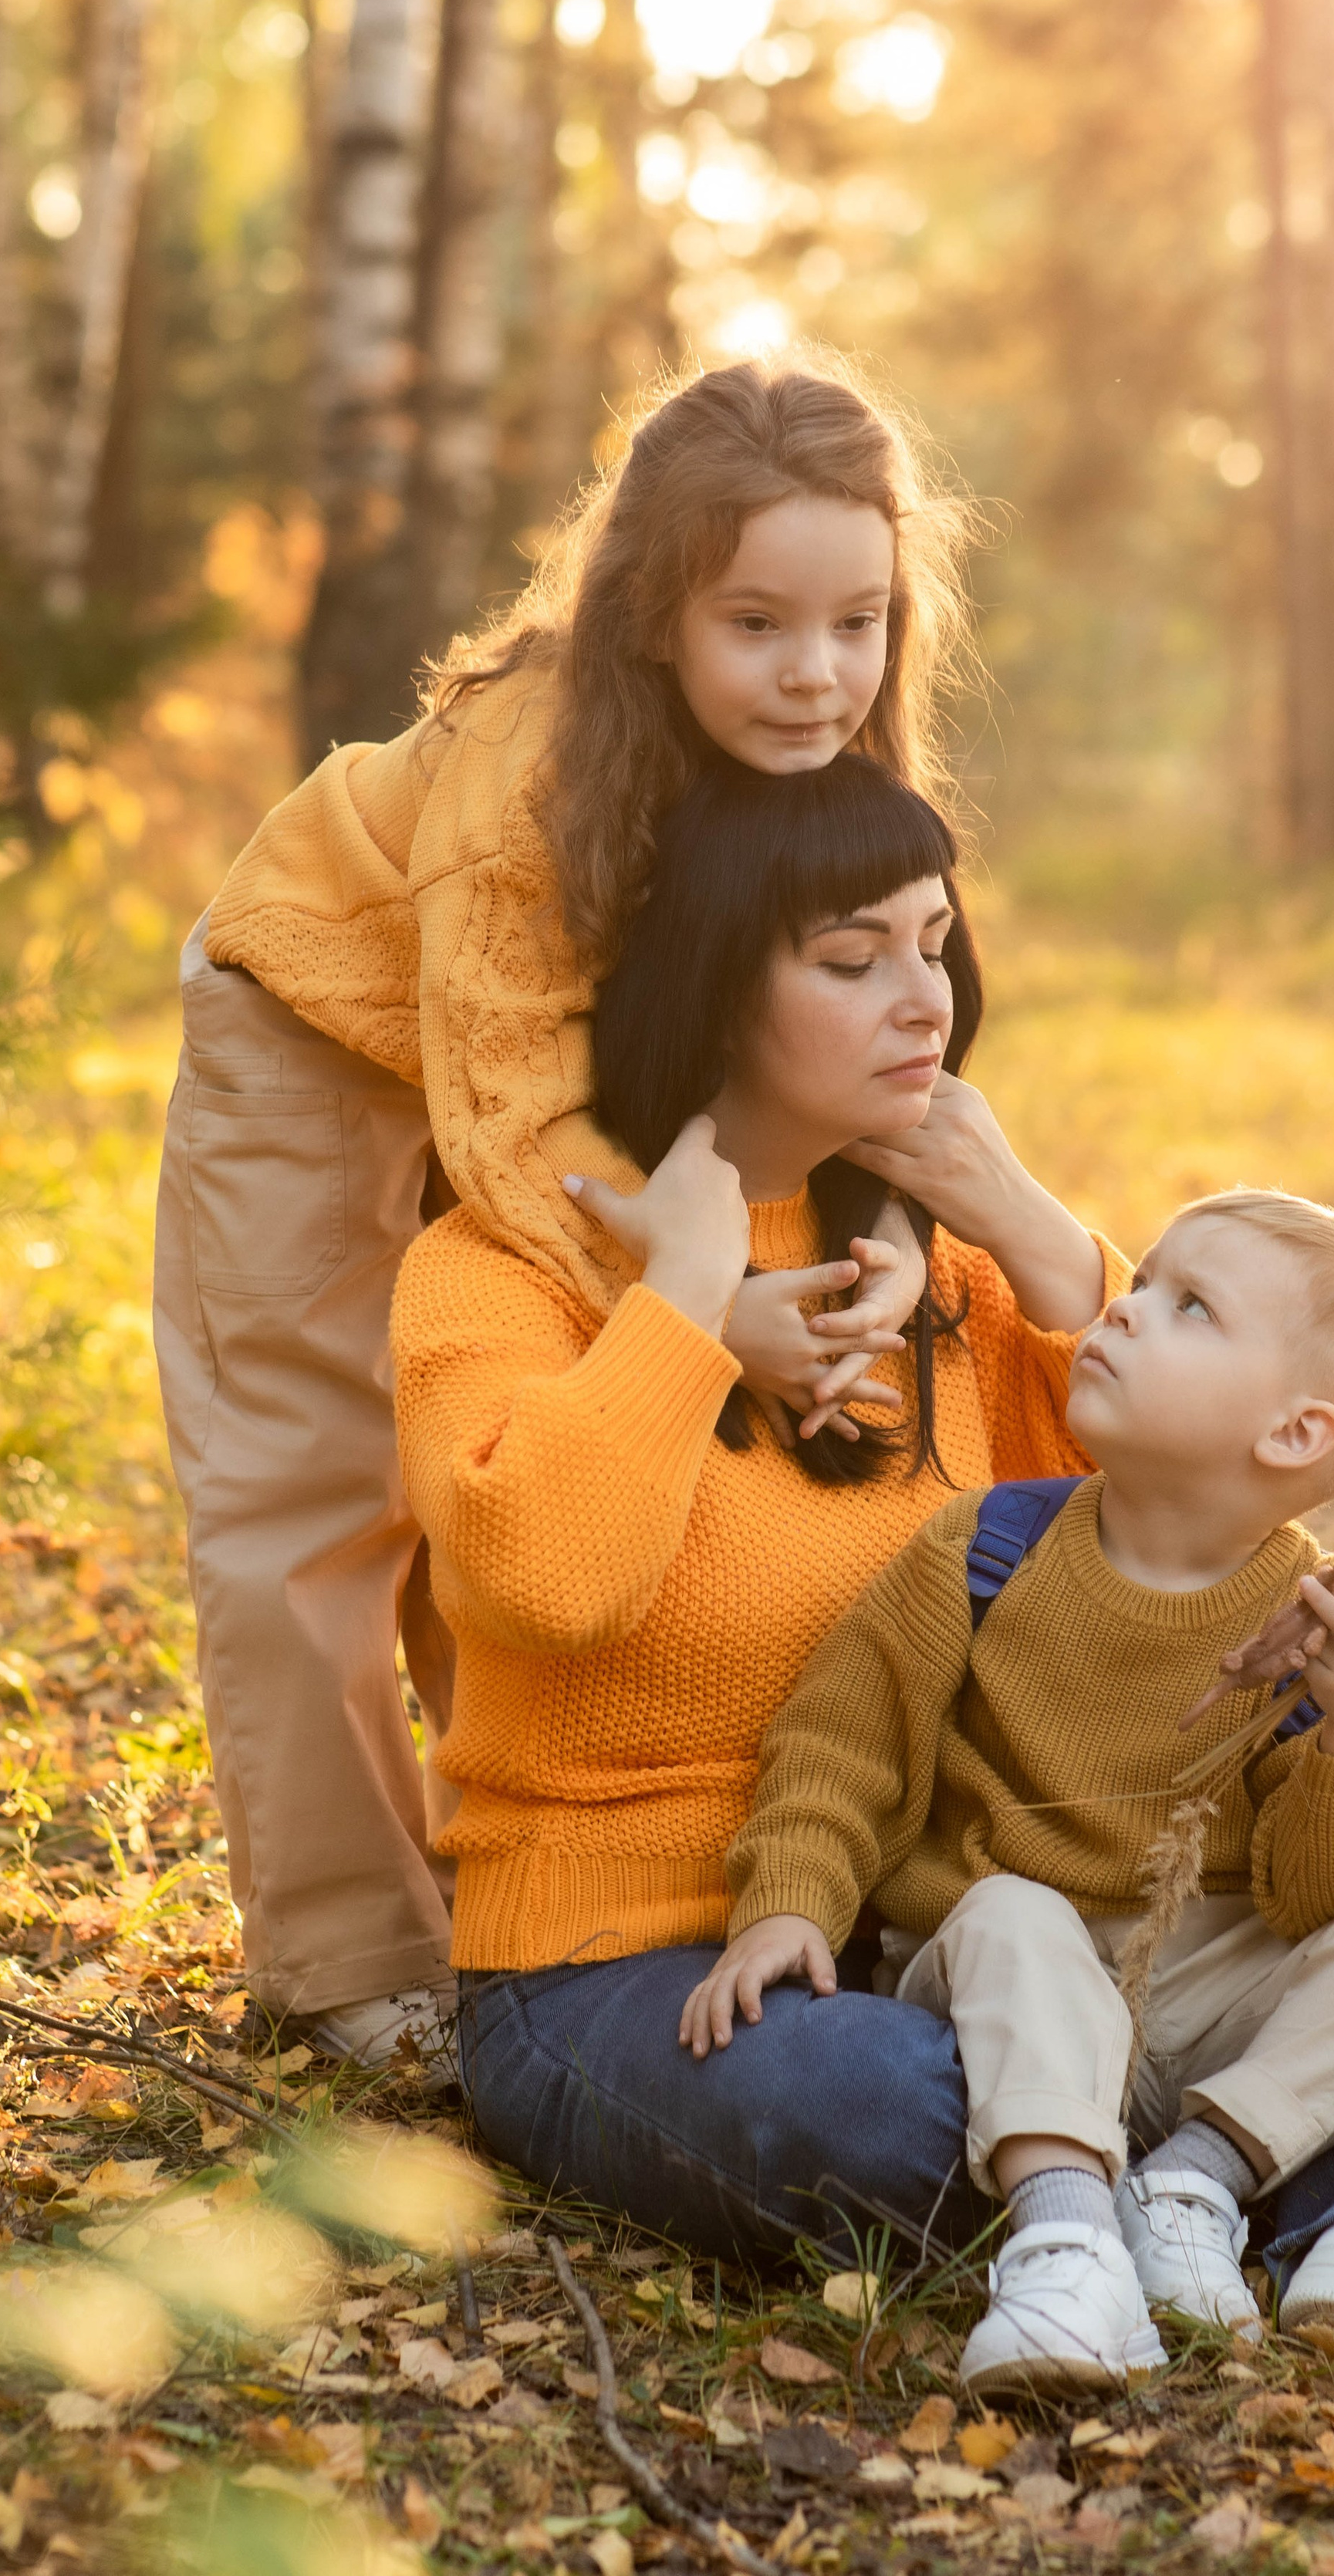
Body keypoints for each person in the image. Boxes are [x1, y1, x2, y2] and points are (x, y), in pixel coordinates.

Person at [433, 751, 1334, 2398]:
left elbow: (1179, 1495)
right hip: (647, 1958)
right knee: (911, 2100)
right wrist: (683, 1301)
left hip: (1074, 1941)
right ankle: (1295, 2182)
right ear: (712, 979)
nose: (925, 998)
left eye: (935, 942)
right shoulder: (509, 1264)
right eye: (852, 959)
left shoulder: (942, 1274)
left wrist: (1026, 1227)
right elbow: (541, 1583)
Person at [153, 354, 971, 2058]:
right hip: (320, 1020)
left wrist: (887, 1242)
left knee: (538, 1432)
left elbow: (874, 1027)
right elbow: (521, 1128)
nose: (817, 674)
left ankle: (521, 1879)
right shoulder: (525, 777)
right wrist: (696, 1311)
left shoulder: (829, 739)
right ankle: (351, 1955)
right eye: (757, 625)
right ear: (650, 610)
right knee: (321, 1482)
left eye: (859, 623)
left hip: (547, 1049)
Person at [684, 1191, 1334, 2396]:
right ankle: (1066, 2243)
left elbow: (1331, 1899)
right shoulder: (988, 1551)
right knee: (1016, 1911)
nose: (1122, 1309)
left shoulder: (1314, 1630)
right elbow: (840, 1746)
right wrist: (789, 1903)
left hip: (1200, 1992)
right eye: (1144, 1283)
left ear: (1294, 1433)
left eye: (1191, 1307)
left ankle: (1192, 2186)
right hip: (1006, 1973)